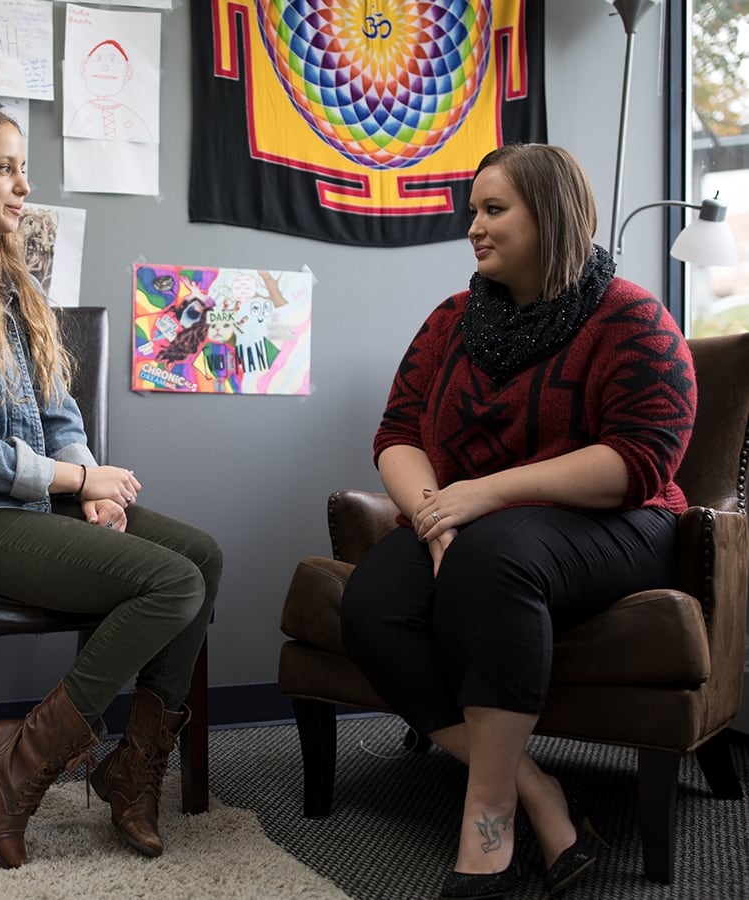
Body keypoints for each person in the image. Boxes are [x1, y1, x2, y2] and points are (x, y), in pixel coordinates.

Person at [0, 103, 222, 870]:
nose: (23, 186)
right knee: (171, 582)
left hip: (34, 500)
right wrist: (81, 476)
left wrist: (87, 483)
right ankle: (25, 759)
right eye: (4, 168)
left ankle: (130, 768)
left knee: (203, 556)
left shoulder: (15, 286)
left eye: (22, 168)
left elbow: (57, 412)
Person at [339, 143, 696, 899]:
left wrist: (485, 495)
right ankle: (537, 788)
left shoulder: (633, 318)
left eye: (493, 209)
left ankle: (488, 819)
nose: (473, 227)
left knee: (494, 555)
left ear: (551, 215)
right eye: (473, 210)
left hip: (619, 522)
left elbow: (642, 457)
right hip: (469, 522)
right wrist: (434, 517)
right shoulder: (450, 321)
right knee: (372, 599)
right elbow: (397, 433)